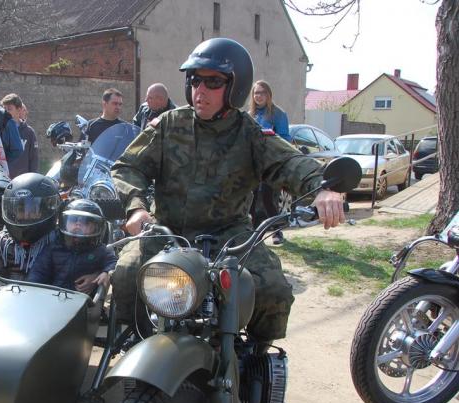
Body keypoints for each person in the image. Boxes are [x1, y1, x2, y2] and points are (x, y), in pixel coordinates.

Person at [111, 38, 346, 343]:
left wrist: (323, 188)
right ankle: (135, 341)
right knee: (127, 273)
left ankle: (257, 358)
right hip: (166, 230)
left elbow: (289, 162)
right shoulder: (168, 125)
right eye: (195, 80)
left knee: (272, 289)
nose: (201, 90)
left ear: (236, 86)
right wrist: (136, 207)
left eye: (213, 82)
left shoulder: (250, 134)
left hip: (229, 236)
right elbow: (128, 166)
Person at [28, 199, 117, 293]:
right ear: (64, 223)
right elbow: (38, 272)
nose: (78, 225)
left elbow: (114, 263)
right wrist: (31, 289)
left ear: (96, 227)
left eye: (86, 222)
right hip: (54, 296)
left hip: (85, 299)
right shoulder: (54, 248)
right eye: (73, 220)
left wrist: (106, 273)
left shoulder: (99, 250)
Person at [0, 173, 60, 281]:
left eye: (32, 210)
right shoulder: (3, 241)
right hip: (8, 290)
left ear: (45, 210)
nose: (26, 215)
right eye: (21, 210)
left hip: (44, 290)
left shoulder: (57, 240)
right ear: (13, 211)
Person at [248, 80, 292, 245]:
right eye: (256, 93)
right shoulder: (250, 115)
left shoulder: (278, 114)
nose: (258, 96)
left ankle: (277, 231)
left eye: (262, 93)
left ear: (268, 95)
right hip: (253, 164)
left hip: (271, 164)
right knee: (251, 199)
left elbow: (285, 139)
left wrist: (270, 138)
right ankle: (254, 235)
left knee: (267, 198)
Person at [0, 93, 39, 178]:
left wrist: (32, 178)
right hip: (3, 177)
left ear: (19, 109)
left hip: (22, 178)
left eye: (9, 109)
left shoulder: (29, 132)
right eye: (4, 109)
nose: (6, 112)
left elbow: (33, 159)